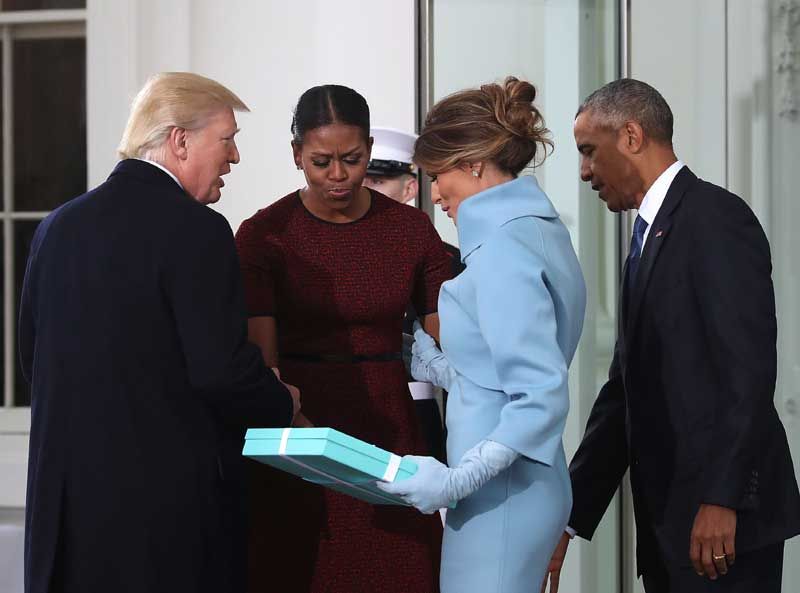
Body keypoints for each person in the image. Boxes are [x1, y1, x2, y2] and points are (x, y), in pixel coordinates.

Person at [18, 72, 300, 593]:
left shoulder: (55, 228)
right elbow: (220, 371)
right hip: (162, 524)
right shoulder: (198, 230)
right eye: (228, 138)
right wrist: (281, 401)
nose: (234, 156)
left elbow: (32, 361)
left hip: (68, 517)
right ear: (179, 139)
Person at [543, 78, 800, 593]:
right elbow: (624, 395)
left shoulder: (715, 219)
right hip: (671, 530)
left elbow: (746, 374)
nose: (585, 171)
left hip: (721, 529)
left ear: (632, 136)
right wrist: (568, 517)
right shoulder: (647, 237)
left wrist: (723, 499)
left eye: (589, 151)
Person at [235, 84, 449, 593]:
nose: (337, 176)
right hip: (298, 432)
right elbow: (264, 364)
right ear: (295, 156)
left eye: (351, 160)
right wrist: (302, 436)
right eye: (321, 161)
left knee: (401, 572)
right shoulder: (265, 234)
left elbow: (450, 343)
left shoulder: (410, 230)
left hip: (389, 429)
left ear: (370, 151)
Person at [378, 77, 586, 593]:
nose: (433, 192)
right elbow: (503, 377)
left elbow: (539, 396)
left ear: (472, 164)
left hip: (503, 496)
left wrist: (454, 482)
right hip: (517, 486)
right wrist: (434, 365)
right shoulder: (533, 229)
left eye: (437, 174)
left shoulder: (502, 251)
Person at [364, 126, 462, 462]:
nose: (364, 189)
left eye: (376, 181)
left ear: (409, 187)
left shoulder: (446, 260)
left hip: (416, 413)